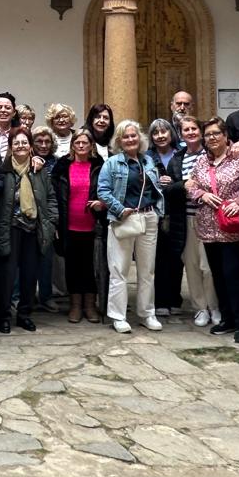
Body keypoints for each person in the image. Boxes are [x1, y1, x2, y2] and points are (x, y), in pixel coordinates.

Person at [188, 120, 239, 344]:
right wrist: (202, 195)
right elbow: (192, 185)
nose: (212, 138)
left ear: (226, 136)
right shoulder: (201, 161)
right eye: (208, 135)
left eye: (216, 133)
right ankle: (227, 318)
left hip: (233, 228)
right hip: (208, 228)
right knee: (218, 275)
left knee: (234, 275)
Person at [98, 120, 164, 333]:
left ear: (140, 138)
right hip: (123, 219)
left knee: (147, 271)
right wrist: (119, 209)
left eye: (133, 135)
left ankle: (147, 313)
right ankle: (118, 316)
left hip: (148, 218)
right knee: (119, 270)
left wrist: (157, 210)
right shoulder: (112, 163)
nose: (130, 139)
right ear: (119, 141)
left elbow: (154, 188)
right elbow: (103, 190)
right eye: (125, 137)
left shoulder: (148, 161)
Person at [0, 127, 56, 331]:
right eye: (17, 143)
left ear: (30, 146)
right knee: (6, 275)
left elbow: (50, 198)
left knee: (30, 275)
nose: (21, 146)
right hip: (9, 228)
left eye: (24, 142)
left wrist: (52, 221)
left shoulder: (38, 170)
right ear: (11, 147)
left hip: (33, 229)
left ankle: (24, 313)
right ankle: (3, 315)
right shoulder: (3, 169)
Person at [51, 130, 105, 323]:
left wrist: (102, 204)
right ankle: (75, 305)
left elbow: (107, 190)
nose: (81, 146)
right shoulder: (62, 166)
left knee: (90, 267)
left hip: (93, 225)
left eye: (85, 143)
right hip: (69, 225)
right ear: (72, 145)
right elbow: (55, 196)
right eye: (77, 143)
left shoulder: (100, 166)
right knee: (73, 267)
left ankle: (90, 305)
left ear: (91, 146)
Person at [170, 116, 219, 327]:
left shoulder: (212, 155)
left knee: (208, 266)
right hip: (187, 219)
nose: (190, 133)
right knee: (191, 265)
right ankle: (200, 308)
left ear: (201, 132)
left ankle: (214, 306)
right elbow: (169, 189)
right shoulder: (177, 159)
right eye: (185, 130)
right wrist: (183, 184)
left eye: (194, 129)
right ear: (180, 135)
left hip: (210, 218)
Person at [146, 118, 188, 320]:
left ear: (171, 134)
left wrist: (174, 183)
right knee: (158, 258)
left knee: (176, 256)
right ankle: (161, 300)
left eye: (164, 132)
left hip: (178, 211)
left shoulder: (181, 155)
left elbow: (189, 182)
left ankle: (175, 298)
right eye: (156, 133)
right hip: (155, 213)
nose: (161, 136)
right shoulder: (147, 157)